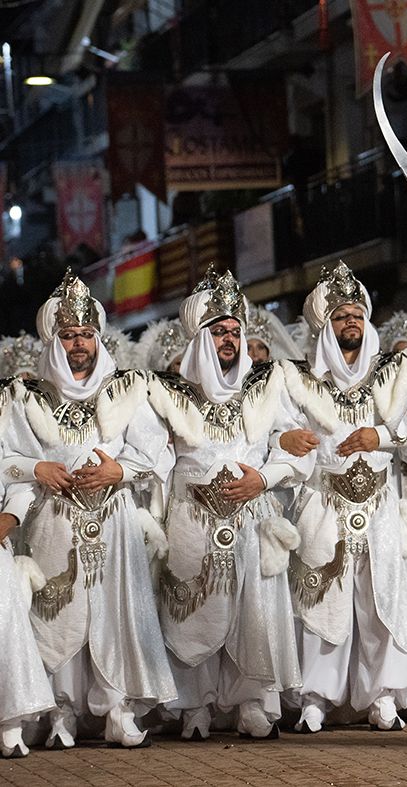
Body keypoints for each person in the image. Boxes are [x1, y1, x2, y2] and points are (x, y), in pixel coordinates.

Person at [2, 270, 176, 748]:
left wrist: (118, 471)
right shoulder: (26, 396)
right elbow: (6, 455)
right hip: (53, 522)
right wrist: (38, 468)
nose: (78, 343)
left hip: (114, 524)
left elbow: (159, 451)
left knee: (115, 614)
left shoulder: (124, 391)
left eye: (85, 334)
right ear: (53, 340)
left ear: (97, 338)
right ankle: (62, 715)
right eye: (68, 335)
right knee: (57, 615)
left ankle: (118, 709)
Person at [147, 268, 306, 740]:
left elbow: (294, 448)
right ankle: (194, 708)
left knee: (252, 615)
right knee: (193, 611)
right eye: (219, 332)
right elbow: (151, 460)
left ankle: (251, 705)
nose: (230, 340)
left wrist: (264, 477)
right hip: (191, 518)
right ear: (199, 339)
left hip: (251, 519)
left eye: (236, 331)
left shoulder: (265, 387)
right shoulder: (168, 394)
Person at [279, 262, 407, 733]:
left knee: (380, 601)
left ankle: (383, 696)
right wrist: (289, 443)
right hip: (324, 504)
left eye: (357, 314)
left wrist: (380, 436)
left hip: (380, 504)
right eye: (341, 315)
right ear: (325, 327)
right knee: (323, 599)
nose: (351, 321)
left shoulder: (394, 376)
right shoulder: (298, 380)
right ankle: (316, 699)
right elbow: (281, 432)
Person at [0, 388, 55, 759]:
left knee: (4, 623)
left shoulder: (5, 403)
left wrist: (6, 521)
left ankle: (9, 724)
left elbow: (25, 472)